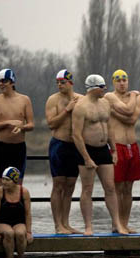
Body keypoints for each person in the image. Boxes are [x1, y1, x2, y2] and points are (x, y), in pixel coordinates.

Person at [72, 74, 128, 235]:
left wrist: (114, 150)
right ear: (93, 88)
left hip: (104, 150)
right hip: (87, 150)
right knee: (87, 189)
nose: (105, 90)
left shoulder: (105, 103)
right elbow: (76, 135)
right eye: (102, 87)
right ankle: (88, 226)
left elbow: (109, 128)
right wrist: (86, 158)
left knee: (110, 187)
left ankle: (117, 224)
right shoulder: (81, 107)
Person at [45, 69, 82, 234]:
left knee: (70, 186)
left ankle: (66, 224)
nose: (60, 85)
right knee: (58, 185)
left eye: (63, 82)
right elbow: (51, 123)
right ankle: (57, 225)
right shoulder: (53, 100)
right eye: (58, 82)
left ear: (71, 83)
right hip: (59, 145)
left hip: (75, 147)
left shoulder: (81, 99)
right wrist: (67, 109)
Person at [104, 69, 140, 233]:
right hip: (117, 146)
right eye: (118, 80)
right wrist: (132, 97)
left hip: (132, 146)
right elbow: (128, 111)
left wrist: (113, 111)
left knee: (128, 188)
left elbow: (133, 119)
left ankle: (125, 224)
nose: (122, 83)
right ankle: (116, 224)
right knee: (117, 188)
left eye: (124, 80)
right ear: (113, 82)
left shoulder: (138, 98)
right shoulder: (109, 97)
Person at [0, 68, 34, 187]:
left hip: (18, 149)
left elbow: (31, 124)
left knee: (18, 186)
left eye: (4, 81)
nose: (0, 84)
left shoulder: (24, 100)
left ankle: (18, 206)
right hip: (1, 148)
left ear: (12, 82)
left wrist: (22, 128)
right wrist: (7, 123)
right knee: (0, 185)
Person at [0, 167, 32, 258]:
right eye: (3, 179)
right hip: (3, 222)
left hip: (19, 222)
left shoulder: (24, 192)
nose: (4, 182)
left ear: (15, 181)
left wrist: (29, 232)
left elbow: (28, 213)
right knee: (9, 233)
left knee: (20, 234)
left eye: (7, 180)